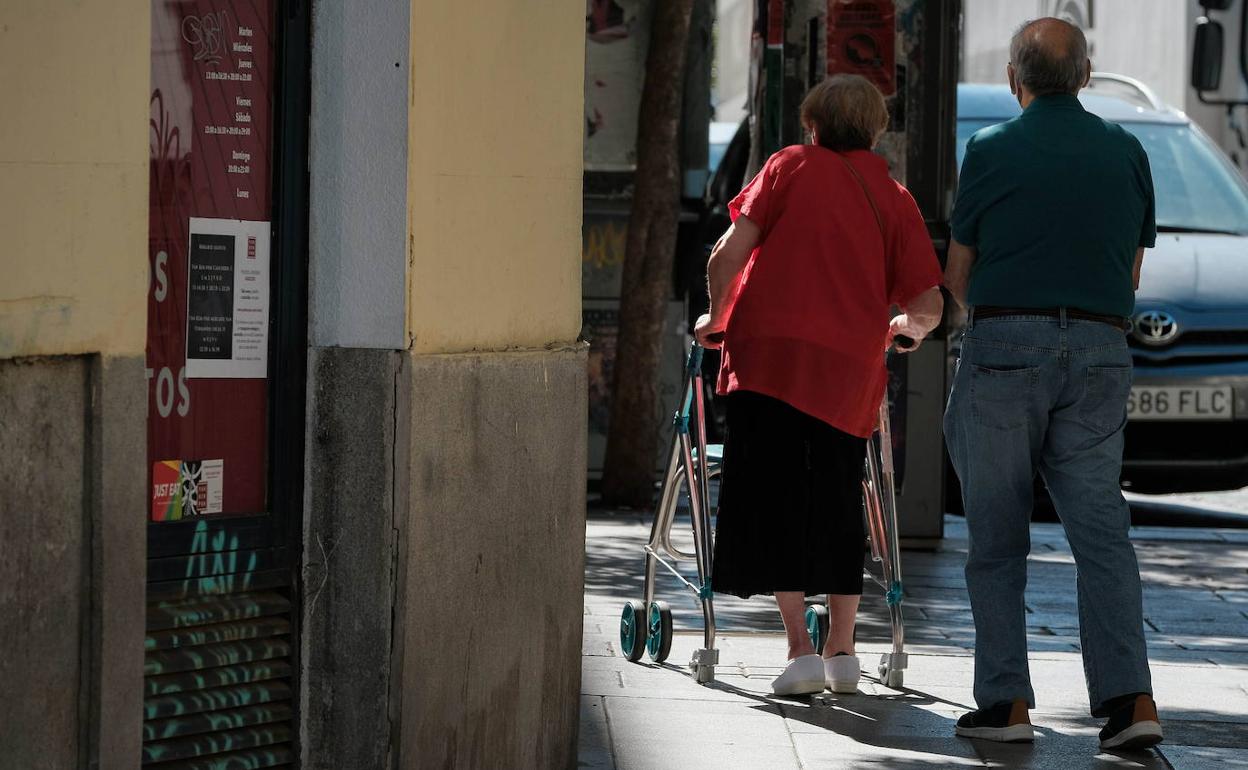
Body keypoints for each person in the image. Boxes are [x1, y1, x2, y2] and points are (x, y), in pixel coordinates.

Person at [944, 18, 1162, 750]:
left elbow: (958, 273)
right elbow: (1129, 271)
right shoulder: (1127, 151)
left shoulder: (991, 149)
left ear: (1016, 78)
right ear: (1087, 75)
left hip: (1006, 343)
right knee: (1102, 533)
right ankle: (1131, 704)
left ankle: (1005, 704)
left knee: (997, 538)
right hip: (1102, 347)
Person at [694, 74, 944, 696]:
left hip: (768, 361)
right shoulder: (893, 196)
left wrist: (715, 321)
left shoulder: (786, 167)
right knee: (837, 496)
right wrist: (902, 329)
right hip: (846, 370)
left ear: (813, 123)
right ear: (874, 129)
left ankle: (799, 650)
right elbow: (929, 302)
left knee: (776, 493)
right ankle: (843, 651)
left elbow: (725, 256)